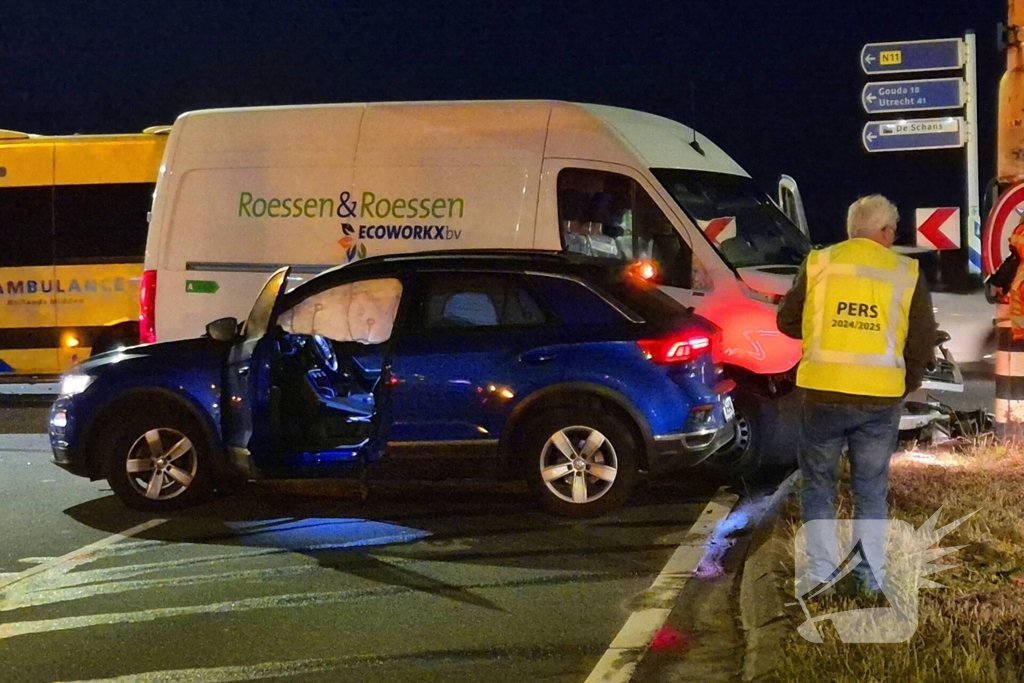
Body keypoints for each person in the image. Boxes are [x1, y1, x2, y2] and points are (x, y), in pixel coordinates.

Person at [776, 194, 936, 595]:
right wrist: (906, 382)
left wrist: (824, 330)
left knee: (818, 485)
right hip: (880, 401)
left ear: (852, 229)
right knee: (869, 490)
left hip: (823, 396)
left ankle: (820, 577)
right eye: (892, 231)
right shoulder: (907, 272)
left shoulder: (819, 263)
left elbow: (787, 320)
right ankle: (870, 580)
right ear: (884, 231)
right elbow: (921, 342)